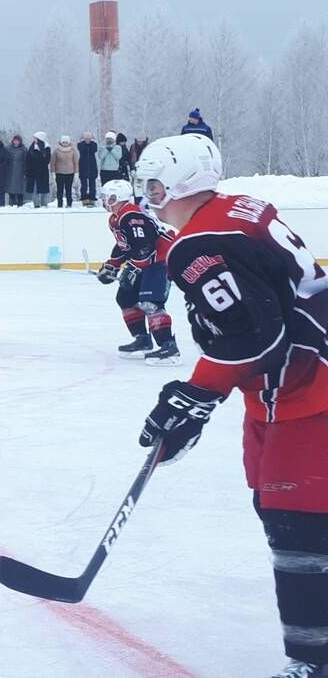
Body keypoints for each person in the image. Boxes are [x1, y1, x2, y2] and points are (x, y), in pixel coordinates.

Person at [131, 134, 328, 676]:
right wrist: (203, 395)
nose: (147, 195)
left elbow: (255, 337)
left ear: (182, 183)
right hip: (284, 388)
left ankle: (313, 662)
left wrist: (196, 394)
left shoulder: (200, 241)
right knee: (280, 510)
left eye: (154, 184)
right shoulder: (236, 209)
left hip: (308, 387)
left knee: (297, 525)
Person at [97, 180, 180, 363]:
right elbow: (125, 246)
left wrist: (133, 268)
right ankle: (142, 340)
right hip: (146, 261)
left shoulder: (131, 215)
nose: (104, 201)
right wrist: (112, 264)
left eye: (108, 197)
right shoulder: (115, 218)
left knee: (150, 301)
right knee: (125, 298)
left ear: (117, 198)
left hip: (161, 259)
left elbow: (145, 246)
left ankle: (168, 347)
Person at [26, 132, 52, 208]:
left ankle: (44, 204)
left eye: (36, 138)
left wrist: (42, 153)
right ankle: (36, 204)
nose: (34, 140)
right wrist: (28, 170)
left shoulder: (46, 148)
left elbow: (47, 160)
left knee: (43, 189)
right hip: (33, 172)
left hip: (42, 172)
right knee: (34, 188)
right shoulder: (31, 147)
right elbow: (28, 159)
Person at [51, 136, 78, 208]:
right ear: (61, 142)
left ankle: (69, 204)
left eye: (66, 142)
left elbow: (76, 162)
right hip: (59, 173)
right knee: (60, 190)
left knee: (68, 190)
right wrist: (53, 173)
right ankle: (59, 204)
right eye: (63, 142)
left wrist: (76, 173)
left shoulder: (73, 150)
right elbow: (53, 162)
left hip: (70, 173)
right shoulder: (56, 150)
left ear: (69, 142)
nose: (65, 143)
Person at [77, 131, 100, 205]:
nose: (88, 141)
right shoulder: (81, 145)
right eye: (86, 139)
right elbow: (81, 149)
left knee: (92, 184)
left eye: (89, 139)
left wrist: (91, 142)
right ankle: (84, 198)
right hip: (83, 167)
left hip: (92, 167)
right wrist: (83, 143)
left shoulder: (93, 145)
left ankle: (92, 198)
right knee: (84, 185)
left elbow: (94, 149)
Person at [5, 134, 28, 207]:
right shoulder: (8, 148)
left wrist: (25, 170)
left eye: (17, 140)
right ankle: (12, 202)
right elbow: (6, 159)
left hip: (20, 170)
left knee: (20, 188)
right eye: (15, 140)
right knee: (11, 187)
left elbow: (26, 160)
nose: (16, 142)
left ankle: (20, 203)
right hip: (10, 170)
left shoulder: (23, 149)